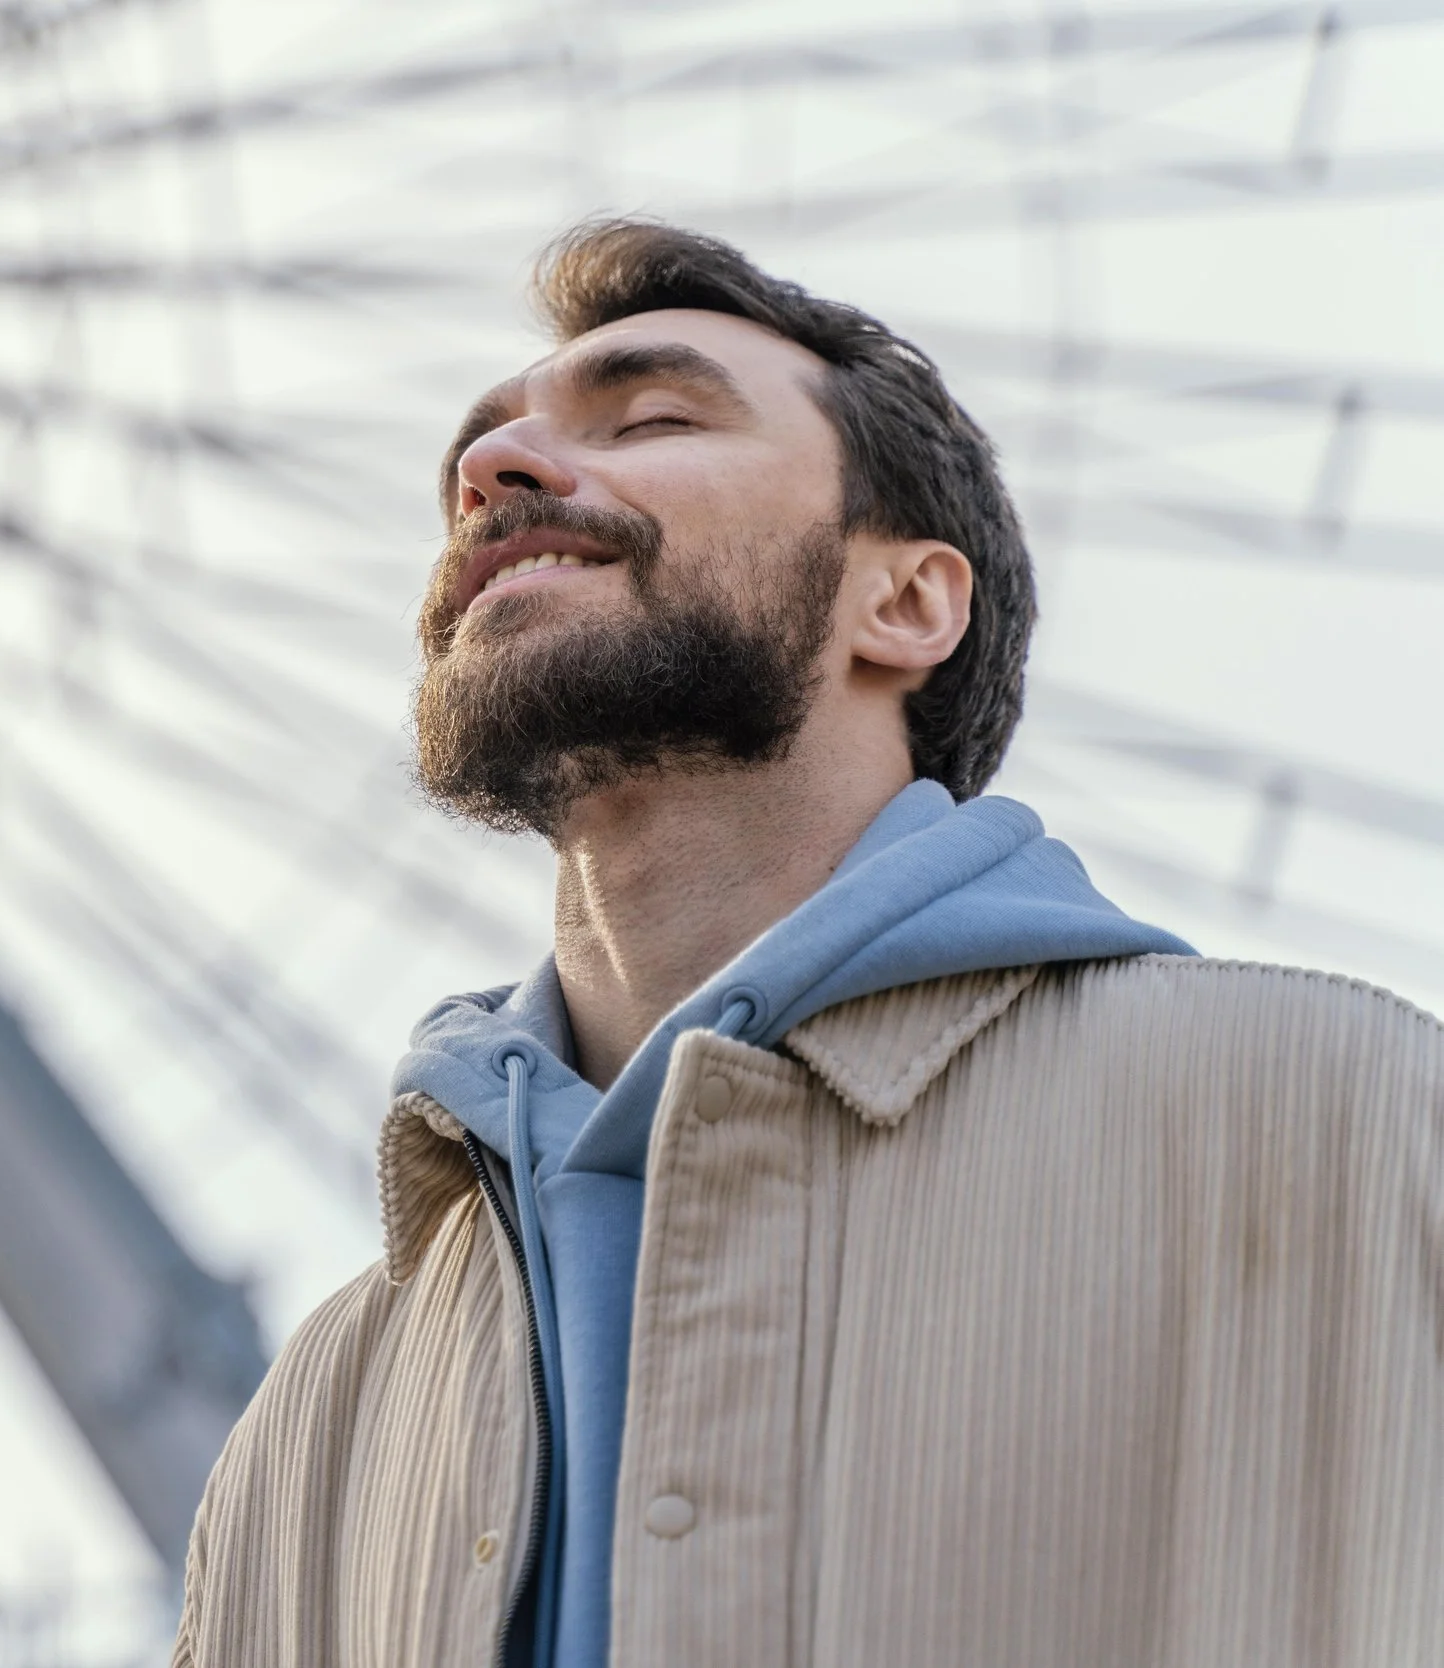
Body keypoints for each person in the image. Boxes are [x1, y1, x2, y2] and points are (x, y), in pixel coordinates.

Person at [170, 219, 1444, 1668]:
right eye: (475, 458)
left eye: (650, 418)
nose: (492, 475)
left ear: (905, 602)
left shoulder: (1340, 1120)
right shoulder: (321, 1425)